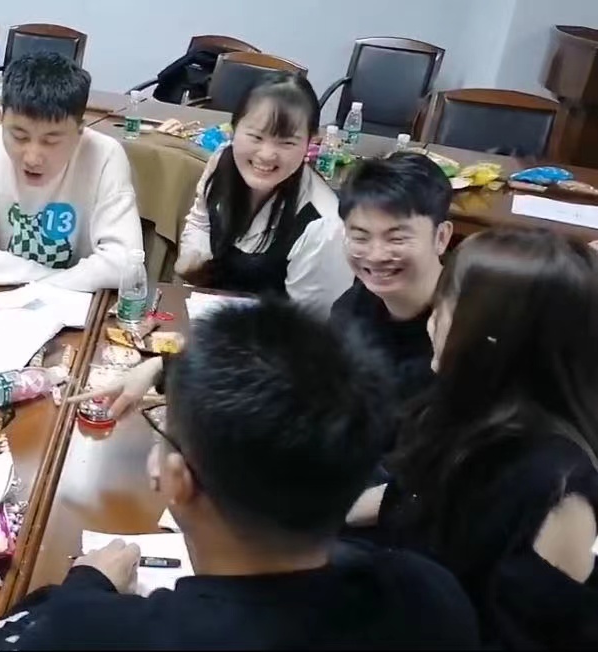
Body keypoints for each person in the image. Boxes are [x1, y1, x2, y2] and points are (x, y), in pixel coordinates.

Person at [0, 301, 479, 650]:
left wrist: (84, 585)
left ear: (176, 477)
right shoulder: (431, 597)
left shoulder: (93, 630)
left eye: (164, 435)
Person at [347, 228, 598, 648]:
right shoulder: (462, 409)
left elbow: (524, 635)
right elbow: (414, 496)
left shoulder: (561, 489)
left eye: (444, 306)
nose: (430, 321)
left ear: (492, 334)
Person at [0, 52, 144, 292]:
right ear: (2, 117)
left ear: (80, 129)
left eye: (51, 141)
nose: (32, 158)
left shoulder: (105, 155)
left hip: (73, 306)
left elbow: (125, 263)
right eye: (19, 136)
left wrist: (44, 285)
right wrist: (59, 279)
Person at [174, 72, 351, 315]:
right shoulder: (223, 162)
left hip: (274, 333)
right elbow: (201, 221)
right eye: (256, 137)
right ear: (233, 129)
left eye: (287, 143)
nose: (266, 155)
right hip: (209, 316)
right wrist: (194, 259)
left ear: (311, 142)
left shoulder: (323, 225)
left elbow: (309, 324)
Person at [330, 153, 454, 400]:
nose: (376, 256)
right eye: (360, 237)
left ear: (441, 237)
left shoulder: (462, 326)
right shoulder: (350, 310)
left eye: (397, 239)